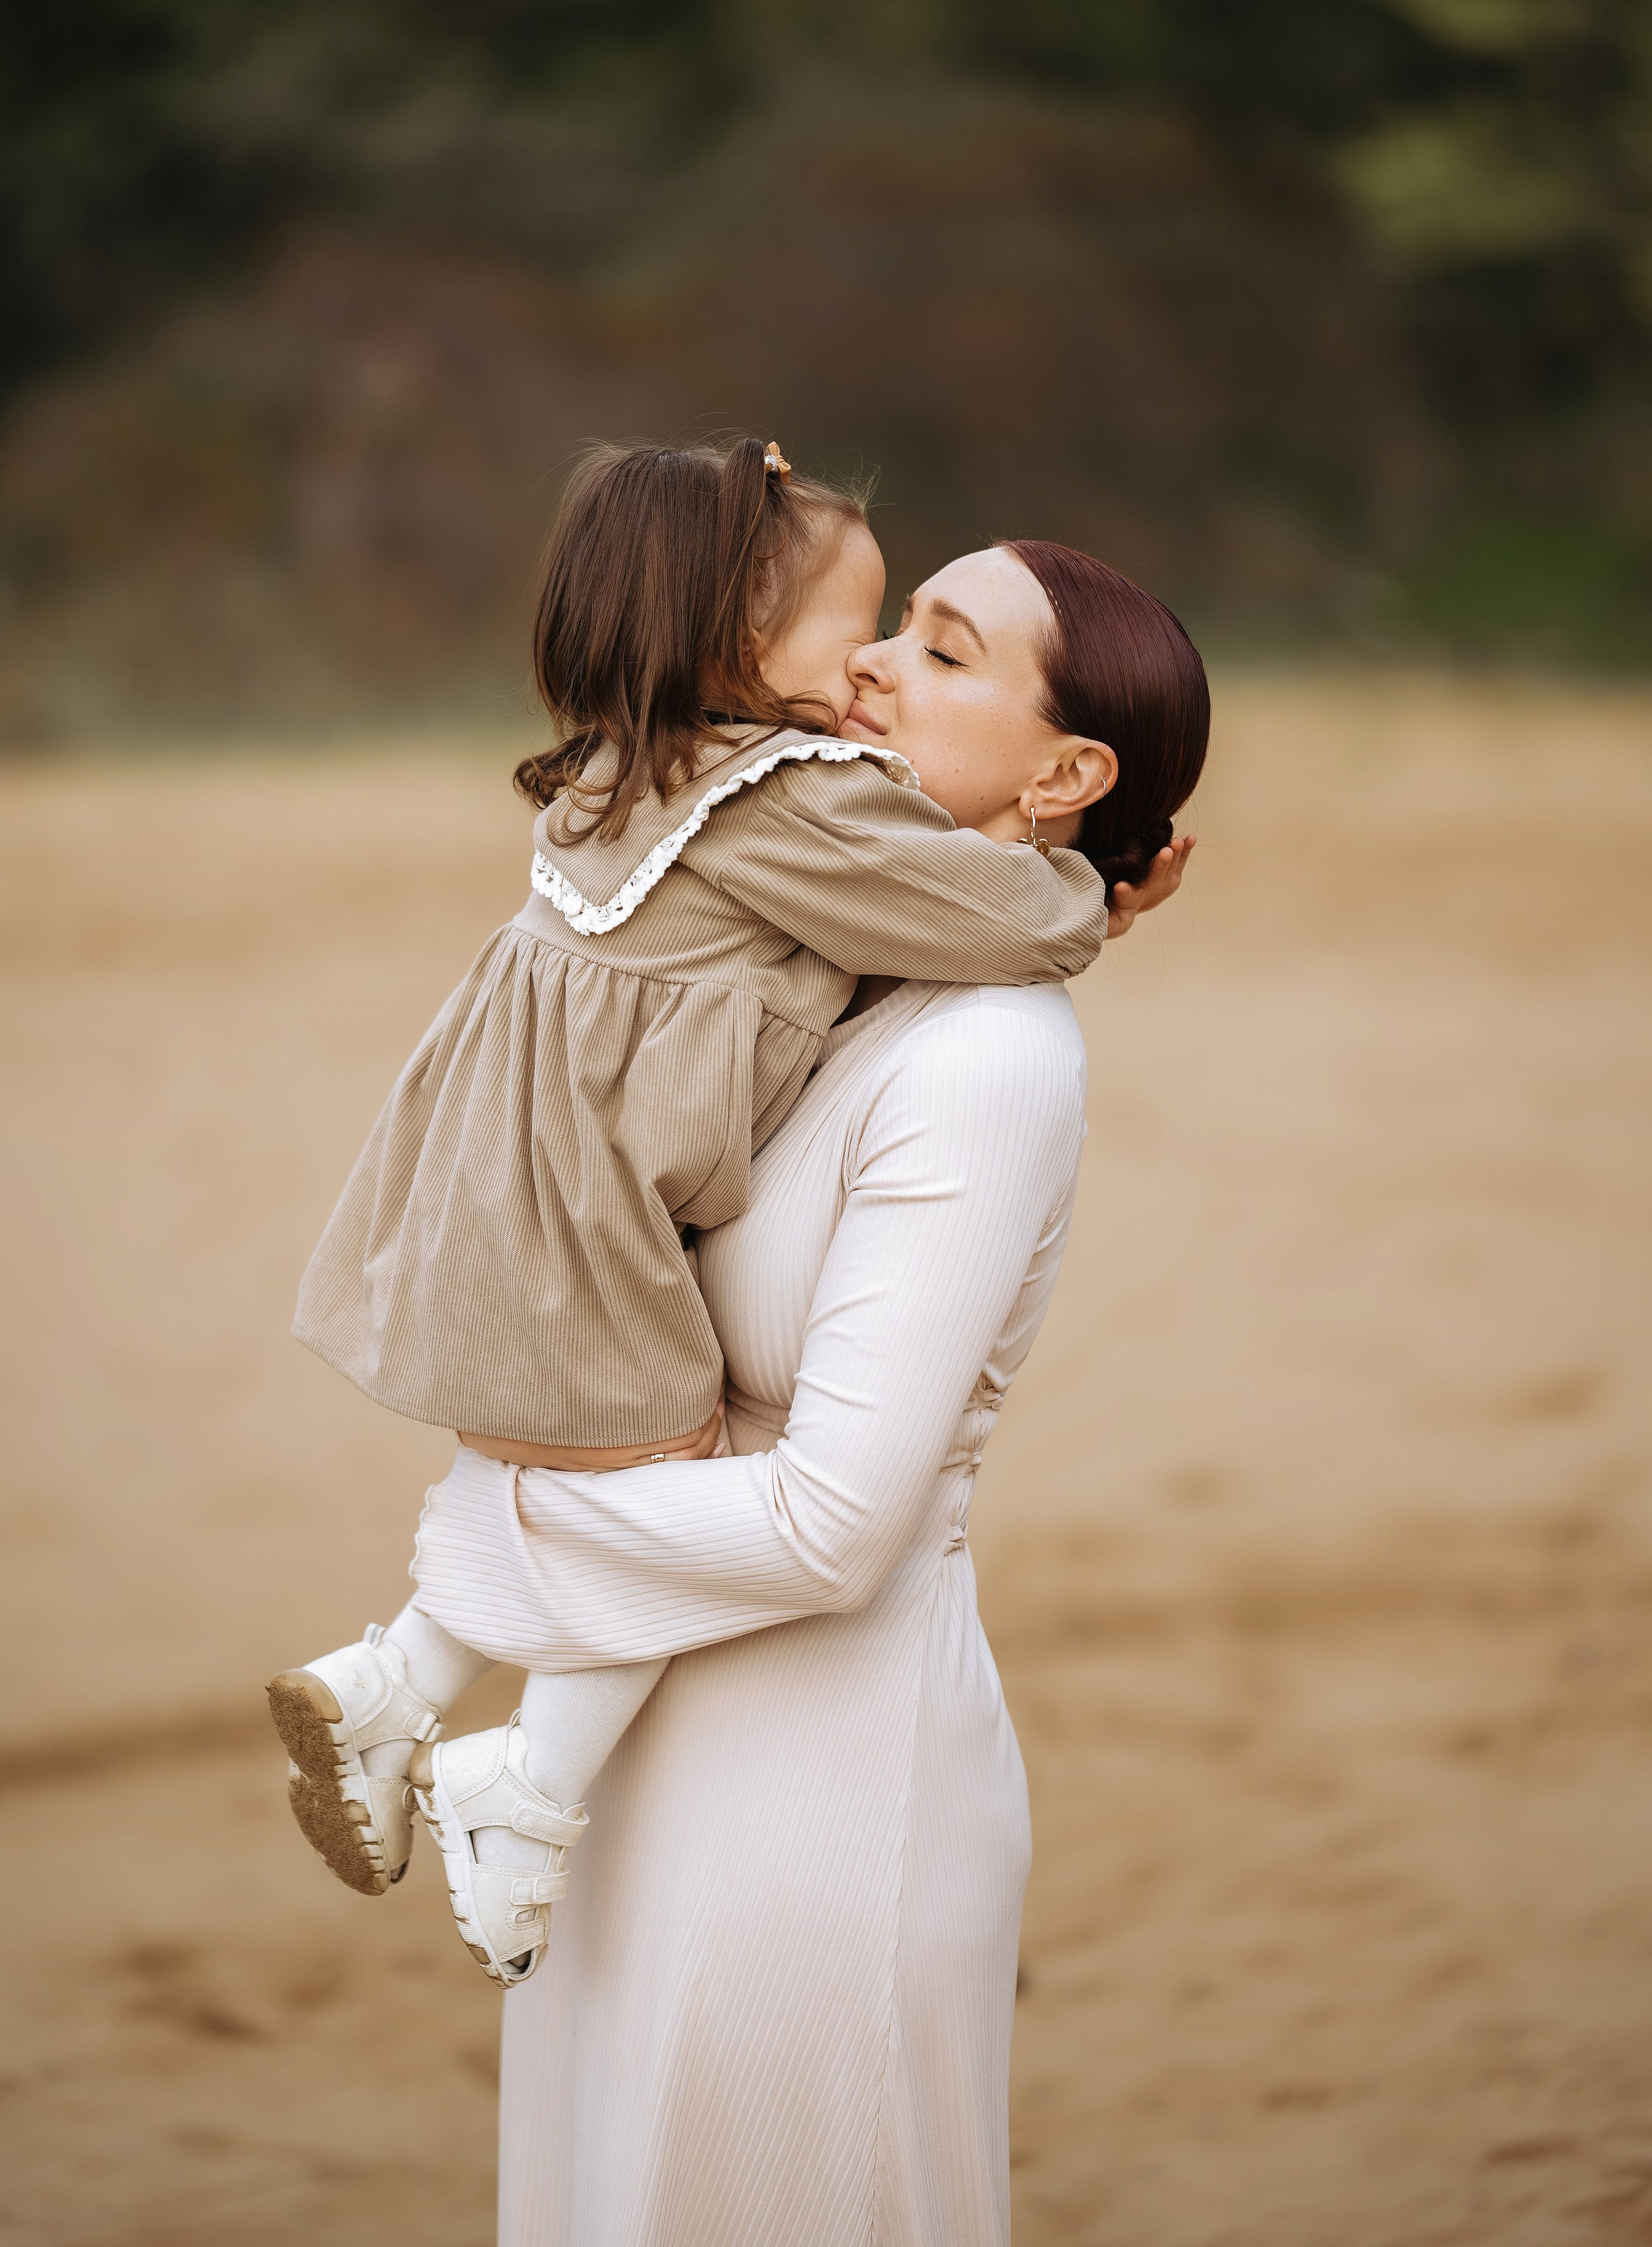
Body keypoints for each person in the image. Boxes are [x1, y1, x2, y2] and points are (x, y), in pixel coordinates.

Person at [407, 536, 1209, 2245]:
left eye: (943, 650)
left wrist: (484, 1542)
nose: (870, 668)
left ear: (1066, 775)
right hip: (615, 1760)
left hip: (817, 1797)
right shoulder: (805, 963)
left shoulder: (990, 1057)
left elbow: (835, 1524)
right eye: (891, 625)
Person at [270, 439, 1115, 1984]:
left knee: (568, 1444)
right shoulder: (793, 802)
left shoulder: (629, 763)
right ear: (739, 648)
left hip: (493, 1189)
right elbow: (979, 916)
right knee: (676, 1466)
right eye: (857, 632)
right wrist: (1091, 894)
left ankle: (401, 1678)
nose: (869, 668)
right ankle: (524, 1783)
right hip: (592, 1220)